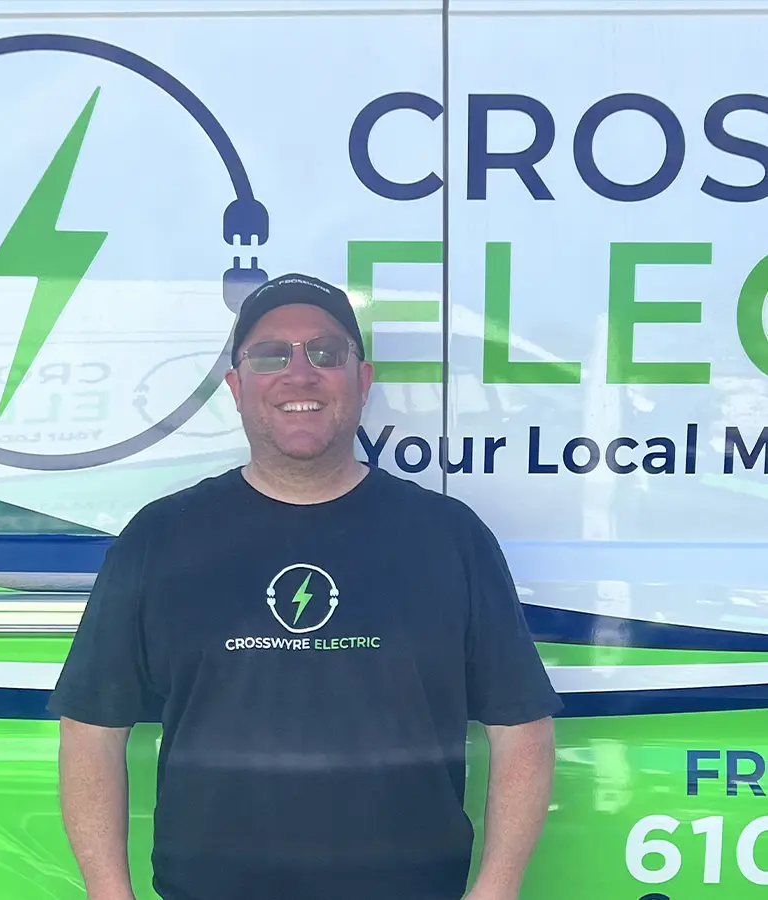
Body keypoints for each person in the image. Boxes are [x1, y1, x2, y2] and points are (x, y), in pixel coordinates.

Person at [47, 272, 563, 900]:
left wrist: (498, 888)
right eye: (270, 356)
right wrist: (108, 894)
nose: (300, 374)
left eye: (326, 353)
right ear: (236, 388)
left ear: (362, 381)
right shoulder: (160, 538)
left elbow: (524, 728)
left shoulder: (448, 536)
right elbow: (91, 731)